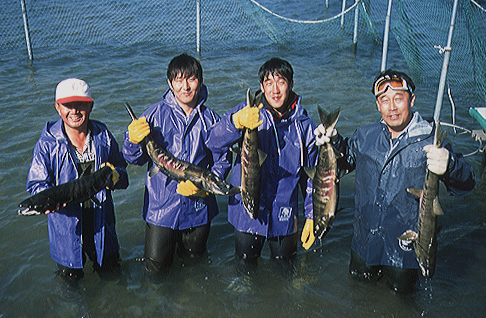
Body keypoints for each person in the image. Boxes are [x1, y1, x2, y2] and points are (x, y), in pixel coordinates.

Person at [315, 69, 476, 293]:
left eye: (398, 99)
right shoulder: (365, 135)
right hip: (364, 244)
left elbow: (467, 182)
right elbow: (345, 163)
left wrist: (449, 165)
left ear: (412, 100)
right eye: (384, 100)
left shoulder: (431, 138)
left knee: (402, 303)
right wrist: (332, 142)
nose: (392, 107)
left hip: (404, 253)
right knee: (358, 296)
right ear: (377, 105)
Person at [123, 53, 232, 276]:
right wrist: (132, 141)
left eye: (191, 79)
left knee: (195, 267)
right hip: (160, 209)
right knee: (155, 271)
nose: (185, 86)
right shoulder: (154, 114)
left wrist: (202, 188)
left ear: (200, 81)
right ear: (170, 83)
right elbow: (133, 158)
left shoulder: (210, 119)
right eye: (179, 80)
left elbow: (223, 158)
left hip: (198, 209)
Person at [207, 57, 318, 265]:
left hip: (285, 211)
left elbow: (311, 175)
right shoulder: (247, 112)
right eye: (268, 83)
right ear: (261, 86)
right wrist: (235, 122)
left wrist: (312, 214)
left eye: (281, 82)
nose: (275, 90)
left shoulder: (304, 125)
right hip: (246, 211)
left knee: (285, 267)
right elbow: (213, 140)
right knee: (245, 267)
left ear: (291, 84)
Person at [26, 78, 129, 282]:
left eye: (80, 104)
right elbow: (36, 184)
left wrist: (115, 176)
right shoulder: (47, 144)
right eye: (67, 105)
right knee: (70, 286)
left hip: (102, 225)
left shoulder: (103, 136)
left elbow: (123, 174)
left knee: (113, 277)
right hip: (66, 230)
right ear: (57, 108)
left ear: (90, 106)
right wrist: (47, 200)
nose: (74, 111)